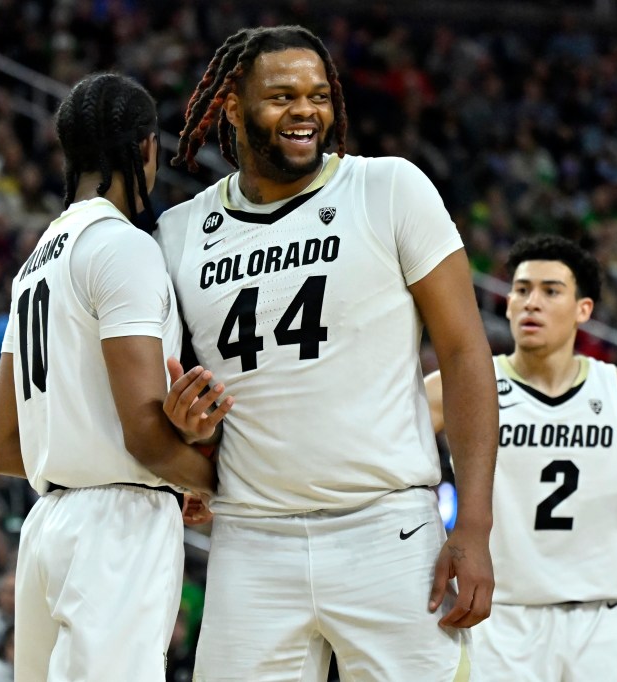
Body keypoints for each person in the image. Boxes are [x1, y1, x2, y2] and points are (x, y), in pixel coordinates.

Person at [158, 24, 497, 681]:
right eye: (282, 96)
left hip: (389, 531)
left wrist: (476, 525)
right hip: (251, 541)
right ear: (231, 104)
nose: (306, 110)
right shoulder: (177, 235)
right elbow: (178, 393)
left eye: (318, 95)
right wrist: (187, 438)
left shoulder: (390, 189)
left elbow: (464, 354)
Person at [0, 72, 220, 681]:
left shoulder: (37, 262)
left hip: (47, 529)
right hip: (117, 529)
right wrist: (215, 482)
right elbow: (143, 433)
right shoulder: (122, 247)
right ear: (145, 147)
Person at [425, 235, 617, 681]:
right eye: (522, 290)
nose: (532, 303)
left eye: (551, 291)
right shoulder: (464, 384)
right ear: (507, 304)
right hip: (502, 617)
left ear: (583, 310)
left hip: (601, 624)